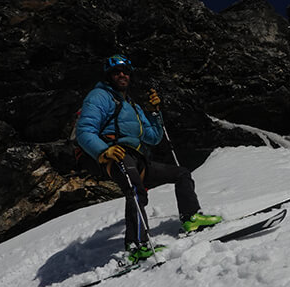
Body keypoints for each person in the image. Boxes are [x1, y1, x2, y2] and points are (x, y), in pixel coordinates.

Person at [75, 54, 222, 262]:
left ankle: (191, 217)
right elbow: (84, 130)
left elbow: (152, 137)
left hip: (137, 158)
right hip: (115, 154)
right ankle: (136, 246)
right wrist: (102, 151)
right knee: (135, 190)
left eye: (125, 71)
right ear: (109, 76)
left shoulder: (132, 106)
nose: (122, 75)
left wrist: (154, 113)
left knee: (181, 173)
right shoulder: (99, 96)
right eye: (116, 72)